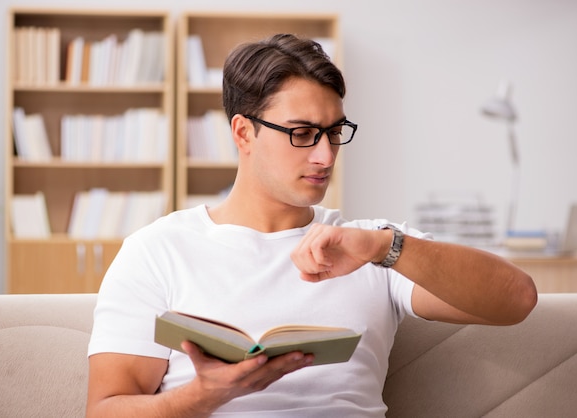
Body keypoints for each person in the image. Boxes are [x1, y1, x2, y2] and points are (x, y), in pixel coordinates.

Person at [86, 33, 537, 418]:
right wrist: (204, 397)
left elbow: (517, 300)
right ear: (244, 133)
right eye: (302, 133)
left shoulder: (371, 244)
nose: (325, 156)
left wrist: (384, 247)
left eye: (334, 132)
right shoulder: (158, 250)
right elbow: (104, 409)